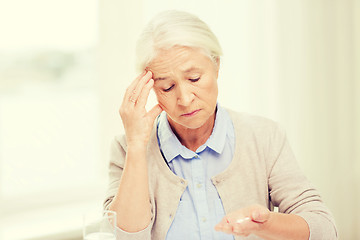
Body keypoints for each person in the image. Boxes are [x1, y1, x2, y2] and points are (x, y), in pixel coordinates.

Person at [103, 10, 337, 240]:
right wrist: (136, 146)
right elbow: (122, 237)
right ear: (150, 87)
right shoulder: (126, 148)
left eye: (194, 78)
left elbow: (324, 229)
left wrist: (268, 224)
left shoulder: (264, 136)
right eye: (167, 87)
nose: (185, 99)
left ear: (216, 65)